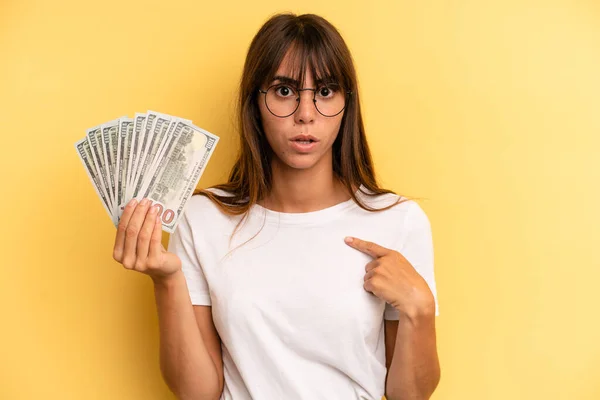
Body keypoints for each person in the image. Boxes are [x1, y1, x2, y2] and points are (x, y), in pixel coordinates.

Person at [112, 12, 440, 400]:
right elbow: (196, 393)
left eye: (325, 91)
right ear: (256, 102)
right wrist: (166, 281)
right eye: (284, 91)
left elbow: (410, 396)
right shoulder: (204, 219)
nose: (305, 114)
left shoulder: (397, 221)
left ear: (346, 104)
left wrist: (419, 308)